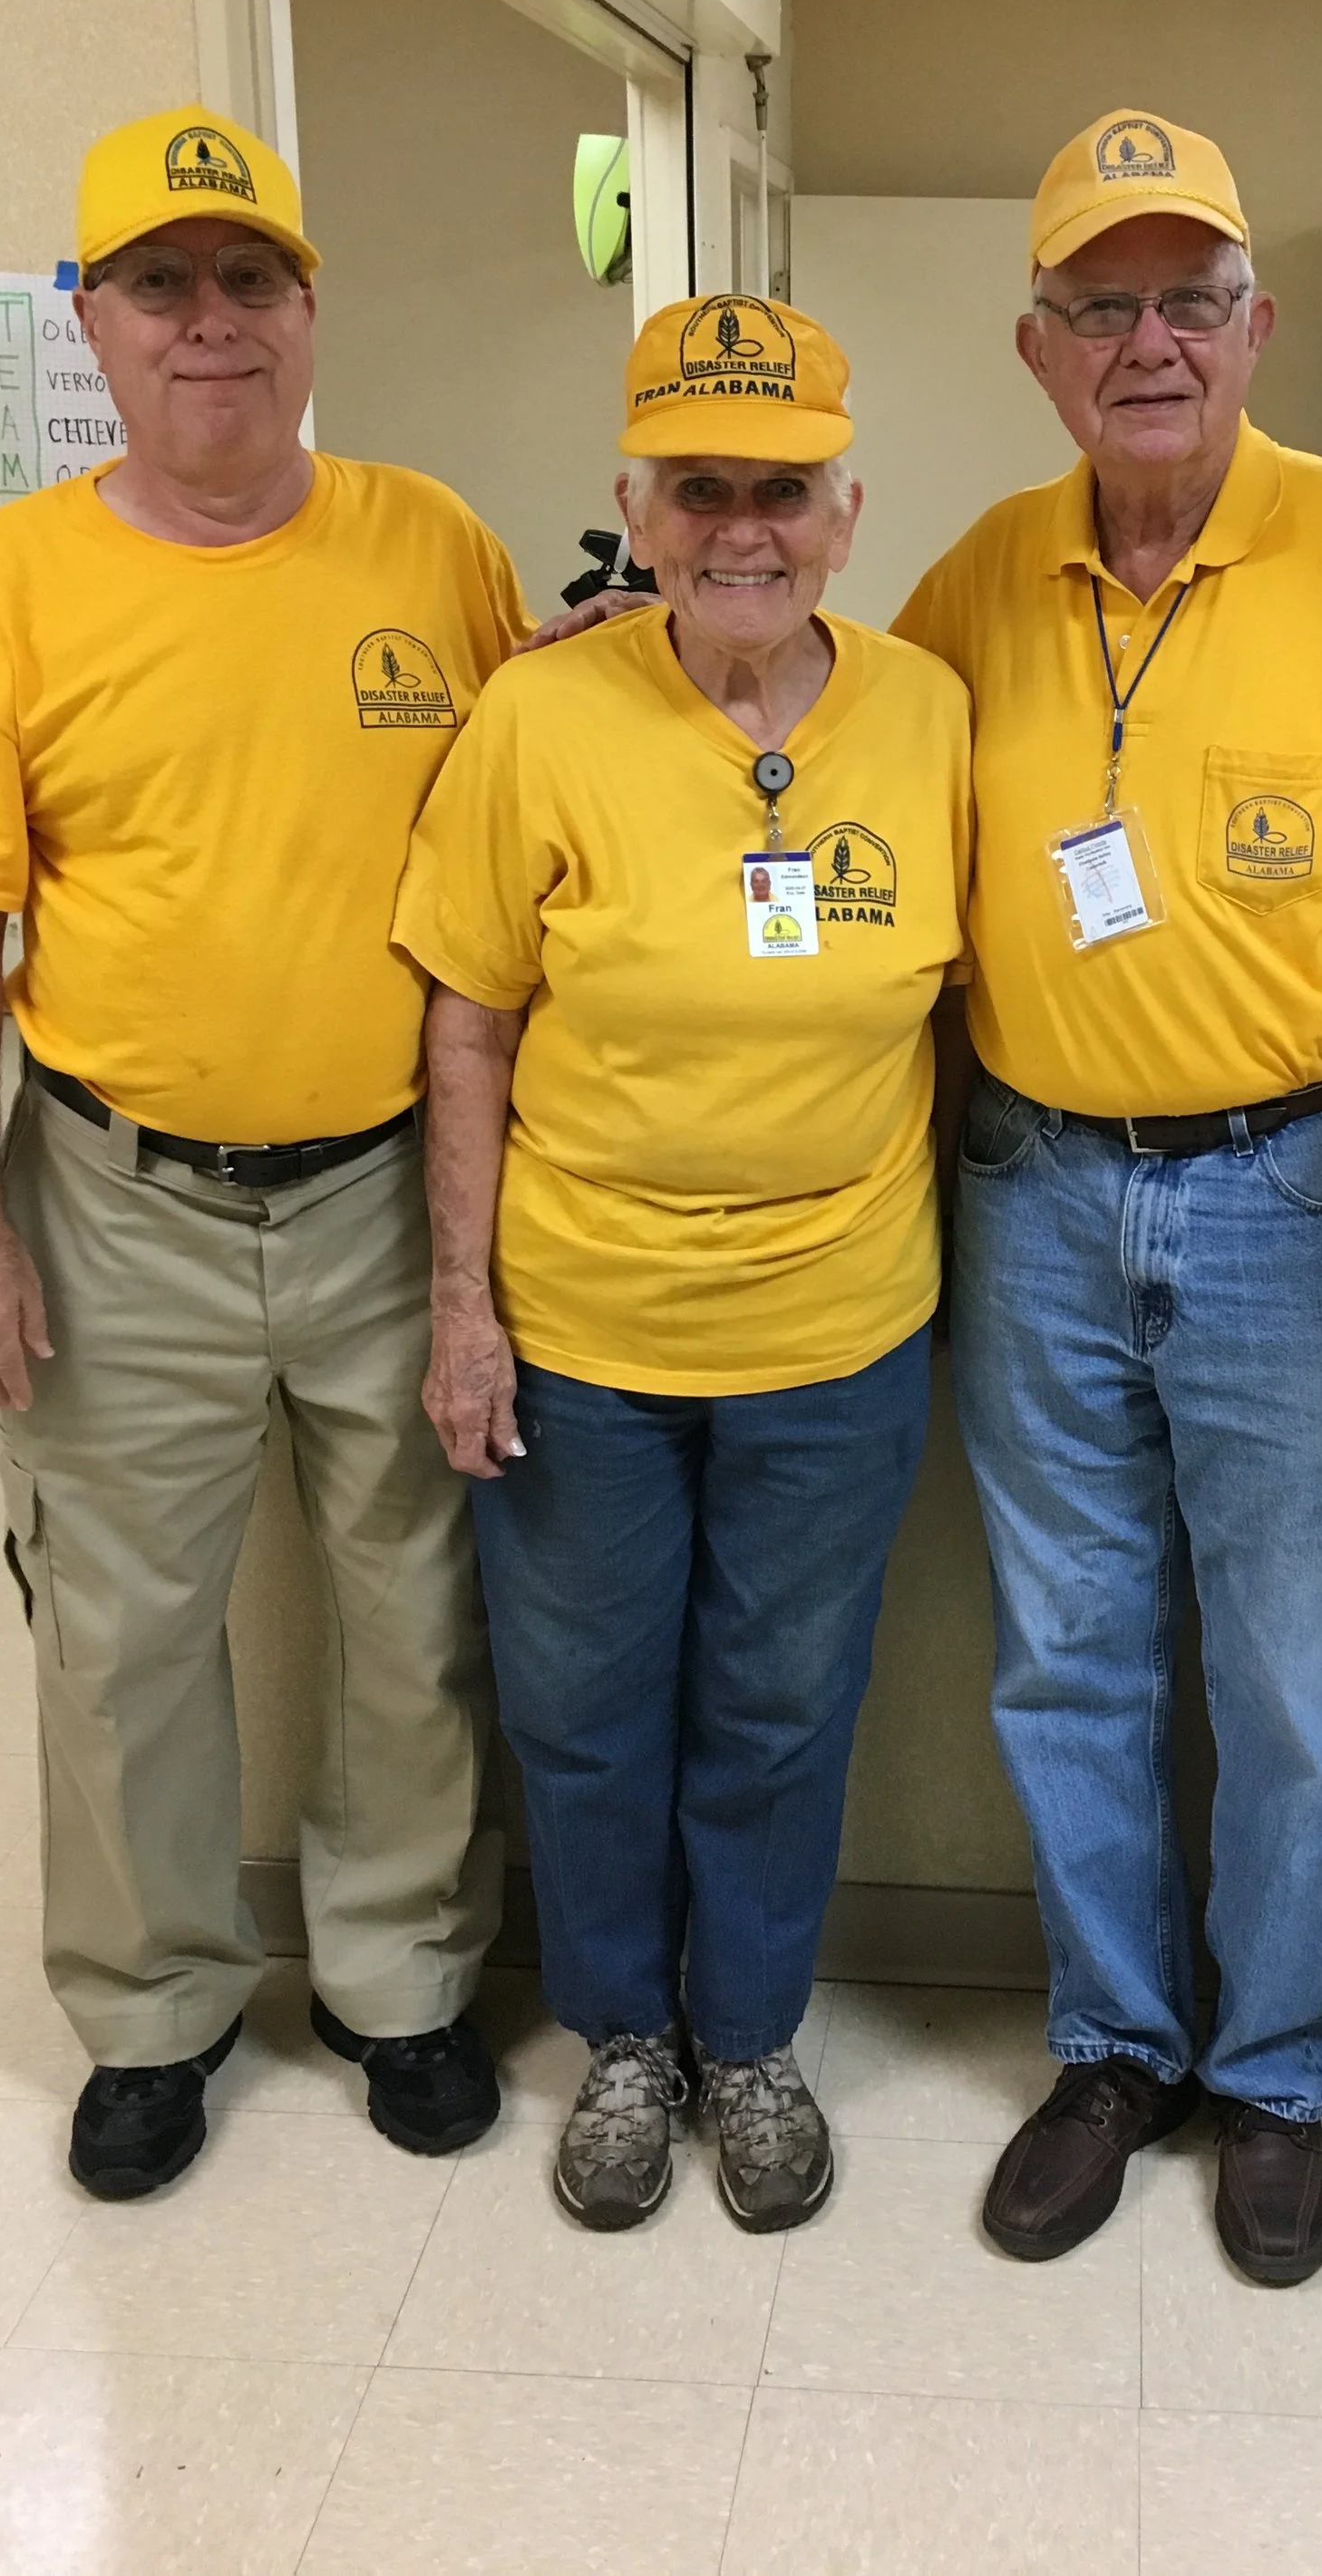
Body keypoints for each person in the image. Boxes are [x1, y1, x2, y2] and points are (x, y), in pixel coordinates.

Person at [0, 107, 529, 2195]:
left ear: (309, 308)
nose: (210, 322)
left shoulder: (435, 547)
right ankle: (151, 2010)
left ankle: (398, 1978)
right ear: (94, 322)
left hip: (387, 1194)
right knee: (122, 1632)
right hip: (114, 1198)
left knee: (413, 1612)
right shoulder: (14, 582)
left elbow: (528, 868)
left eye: (251, 278)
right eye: (161, 283)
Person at [889, 112, 1322, 2285]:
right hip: (1035, 1189)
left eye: (1186, 298)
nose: (1144, 342)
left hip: (1305, 1190)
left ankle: (1265, 2073)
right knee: (1065, 1657)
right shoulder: (967, 583)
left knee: (1294, 1680)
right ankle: (1109, 2047)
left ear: (1255, 327)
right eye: (1097, 305)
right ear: (1037, 349)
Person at [394, 293, 970, 2237]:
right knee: (581, 1701)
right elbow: (464, 1021)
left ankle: (748, 2037)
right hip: (582, 1324)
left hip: (835, 1323)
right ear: (634, 513)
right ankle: (622, 2037)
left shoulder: (929, 712)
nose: (747, 525)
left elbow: (960, 1015)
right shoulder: (535, 715)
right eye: (700, 486)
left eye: (783, 488)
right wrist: (462, 1312)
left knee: (780, 1703)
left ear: (847, 507)